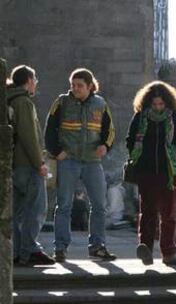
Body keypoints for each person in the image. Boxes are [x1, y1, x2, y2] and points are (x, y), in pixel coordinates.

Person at [45, 68, 116, 262]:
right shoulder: (61, 102)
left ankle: (98, 246)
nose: (75, 89)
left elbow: (109, 130)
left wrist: (105, 145)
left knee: (100, 205)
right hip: (68, 161)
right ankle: (60, 248)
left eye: (79, 85)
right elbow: (49, 129)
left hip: (92, 162)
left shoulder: (101, 104)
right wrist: (57, 151)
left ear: (90, 86)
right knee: (64, 205)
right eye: (73, 85)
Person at [126, 81, 176, 266]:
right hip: (146, 172)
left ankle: (169, 252)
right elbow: (130, 139)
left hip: (169, 172)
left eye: (161, 104)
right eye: (154, 104)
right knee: (147, 212)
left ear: (167, 102)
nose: (158, 107)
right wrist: (136, 157)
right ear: (148, 103)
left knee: (168, 214)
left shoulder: (175, 117)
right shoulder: (140, 117)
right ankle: (145, 249)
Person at [7, 65, 55, 266]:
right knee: (35, 209)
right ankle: (30, 249)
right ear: (28, 80)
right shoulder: (24, 103)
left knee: (18, 212)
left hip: (15, 165)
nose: (36, 83)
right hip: (27, 164)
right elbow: (29, 137)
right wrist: (39, 164)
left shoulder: (10, 100)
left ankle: (18, 251)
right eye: (34, 79)